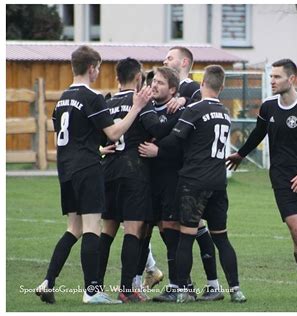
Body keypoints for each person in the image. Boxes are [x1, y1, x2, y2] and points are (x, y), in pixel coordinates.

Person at [35, 46, 152, 304]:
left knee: (73, 229)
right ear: (91, 68)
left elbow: (68, 137)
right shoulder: (93, 97)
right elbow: (113, 132)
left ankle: (48, 281)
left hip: (65, 169)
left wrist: (96, 147)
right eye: (98, 68)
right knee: (91, 228)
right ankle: (92, 291)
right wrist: (137, 106)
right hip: (87, 169)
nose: (98, 73)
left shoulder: (62, 98)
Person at [227, 59, 297, 303]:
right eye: (271, 76)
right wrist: (241, 154)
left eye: (277, 77)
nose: (272, 81)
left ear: (291, 79)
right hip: (282, 178)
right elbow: (258, 133)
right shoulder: (268, 107)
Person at [158, 65, 246, 303]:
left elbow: (175, 139)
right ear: (223, 87)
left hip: (194, 180)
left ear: (202, 83)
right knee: (222, 238)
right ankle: (235, 290)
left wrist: (156, 148)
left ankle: (184, 292)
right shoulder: (225, 112)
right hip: (218, 181)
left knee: (186, 236)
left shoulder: (195, 109)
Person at [138, 45, 221, 296]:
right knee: (174, 227)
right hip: (163, 174)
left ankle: (195, 284)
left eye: (170, 57)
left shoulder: (193, 91)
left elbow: (185, 128)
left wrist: (185, 100)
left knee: (193, 227)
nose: (165, 59)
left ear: (184, 62)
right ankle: (188, 283)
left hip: (189, 172)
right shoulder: (160, 95)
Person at [97, 57, 168, 303]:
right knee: (133, 229)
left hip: (109, 172)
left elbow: (101, 136)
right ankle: (127, 290)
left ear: (117, 79)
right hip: (134, 173)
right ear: (139, 78)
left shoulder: (107, 103)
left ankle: (94, 287)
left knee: (107, 230)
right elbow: (157, 128)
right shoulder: (139, 102)